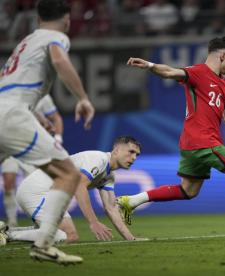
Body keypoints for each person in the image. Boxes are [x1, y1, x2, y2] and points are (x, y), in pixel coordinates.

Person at [118, 36, 225, 235]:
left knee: (188, 191)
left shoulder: (224, 84)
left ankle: (131, 201)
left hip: (192, 143)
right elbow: (169, 72)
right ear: (222, 55)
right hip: (203, 142)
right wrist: (149, 65)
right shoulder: (198, 72)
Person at [0, 0, 94, 264]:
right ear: (67, 20)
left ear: (38, 18)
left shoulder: (25, 42)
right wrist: (83, 98)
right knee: (68, 173)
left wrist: (37, 114)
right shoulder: (56, 37)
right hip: (12, 115)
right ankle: (43, 243)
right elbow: (59, 60)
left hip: (5, 110)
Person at [1, 136, 141, 244]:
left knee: (68, 235)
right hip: (38, 190)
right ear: (116, 150)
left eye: (137, 155)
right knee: (67, 235)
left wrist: (131, 239)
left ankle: (7, 231)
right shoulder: (99, 159)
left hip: (50, 193)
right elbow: (79, 186)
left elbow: (111, 208)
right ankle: (8, 236)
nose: (134, 157)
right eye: (131, 152)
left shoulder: (109, 175)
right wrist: (93, 222)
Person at [1, 94, 64, 228]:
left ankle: (38, 220)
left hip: (30, 147)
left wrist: (57, 138)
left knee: (33, 185)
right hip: (11, 145)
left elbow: (55, 118)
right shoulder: (11, 94)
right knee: (8, 182)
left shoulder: (44, 97)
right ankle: (12, 221)